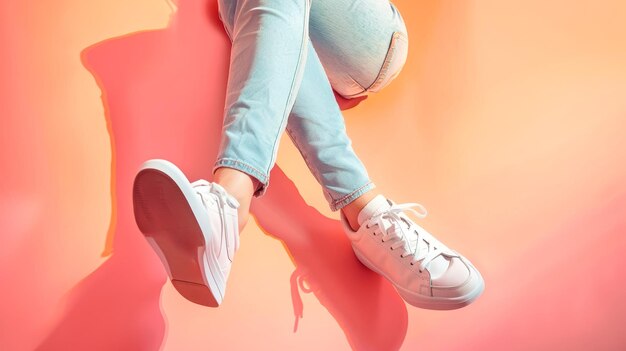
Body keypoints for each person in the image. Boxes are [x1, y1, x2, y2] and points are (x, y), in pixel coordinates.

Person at [132, 0, 484, 310]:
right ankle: (364, 212)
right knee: (232, 4)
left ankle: (230, 200)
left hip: (370, 35)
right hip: (264, 15)